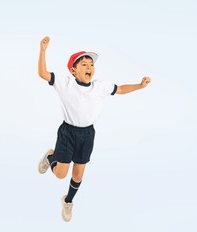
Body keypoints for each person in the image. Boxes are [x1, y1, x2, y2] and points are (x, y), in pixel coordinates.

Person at [37, 36, 151, 222]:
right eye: (83, 64)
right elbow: (43, 73)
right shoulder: (65, 84)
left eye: (91, 64)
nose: (89, 67)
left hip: (87, 134)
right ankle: (50, 156)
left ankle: (68, 201)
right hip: (68, 132)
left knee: (78, 173)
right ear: (73, 70)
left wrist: (140, 85)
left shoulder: (100, 87)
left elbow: (121, 89)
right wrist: (43, 50)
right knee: (60, 174)